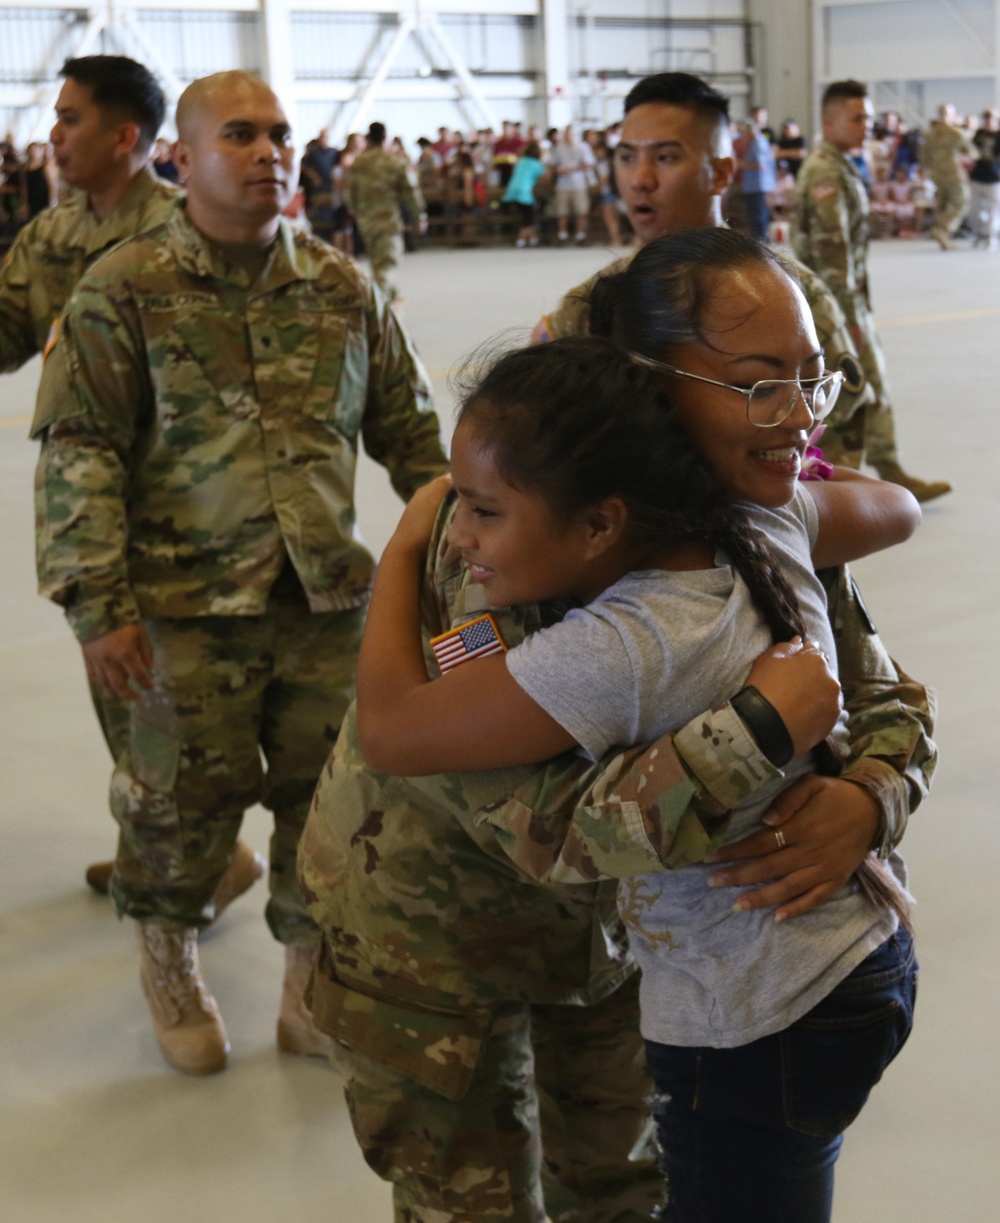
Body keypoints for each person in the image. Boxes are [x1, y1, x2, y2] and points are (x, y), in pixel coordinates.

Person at [298, 263, 936, 1223]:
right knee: (468, 1200)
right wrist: (753, 733)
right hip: (434, 930)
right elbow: (536, 823)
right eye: (759, 382)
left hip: (630, 948)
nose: (799, 416)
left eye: (809, 378)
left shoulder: (754, 511)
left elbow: (876, 686)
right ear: (652, 387)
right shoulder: (503, 526)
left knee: (626, 1191)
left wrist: (869, 796)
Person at [33, 70, 447, 1077]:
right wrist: (97, 606)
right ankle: (168, 955)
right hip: (180, 612)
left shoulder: (344, 288)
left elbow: (417, 443)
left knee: (333, 802)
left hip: (325, 607)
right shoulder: (123, 288)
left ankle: (311, 979)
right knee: (178, 805)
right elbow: (77, 449)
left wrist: (460, 569)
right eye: (239, 135)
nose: (268, 151)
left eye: (280, 133)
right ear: (180, 156)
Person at [0, 56, 265, 906]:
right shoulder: (55, 234)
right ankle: (157, 848)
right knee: (120, 696)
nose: (54, 133)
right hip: (95, 504)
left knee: (185, 719)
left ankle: (202, 862)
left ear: (126, 137)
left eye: (69, 117)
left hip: (192, 512)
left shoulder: (193, 227)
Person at [531, 73, 873, 476]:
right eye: (626, 157)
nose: (641, 180)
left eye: (666, 157)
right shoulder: (590, 307)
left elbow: (835, 442)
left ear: (722, 173)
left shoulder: (793, 299)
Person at [793, 79, 951, 501]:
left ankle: (889, 468)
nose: (868, 125)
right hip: (832, 310)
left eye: (870, 117)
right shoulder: (826, 170)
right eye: (858, 117)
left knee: (873, 386)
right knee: (847, 402)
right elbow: (832, 252)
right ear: (829, 120)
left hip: (849, 303)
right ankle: (836, 494)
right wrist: (845, 321)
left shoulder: (842, 165)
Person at [346, 121, 426, 301]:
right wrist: (419, 217)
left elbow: (350, 192)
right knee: (387, 266)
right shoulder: (394, 162)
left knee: (378, 265)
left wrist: (356, 213)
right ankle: (377, 307)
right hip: (388, 222)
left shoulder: (358, 163)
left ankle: (390, 301)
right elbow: (411, 192)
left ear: (369, 139)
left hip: (366, 223)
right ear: (385, 138)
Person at [919, 102, 975, 249]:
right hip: (953, 173)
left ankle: (944, 239)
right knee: (961, 201)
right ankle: (943, 229)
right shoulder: (956, 133)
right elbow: (971, 153)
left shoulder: (930, 134)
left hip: (937, 174)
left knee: (943, 204)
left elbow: (923, 158)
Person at [550, 124, 596, 243]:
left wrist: (571, 169)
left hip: (578, 183)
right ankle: (562, 235)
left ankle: (581, 235)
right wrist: (559, 171)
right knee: (562, 211)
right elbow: (553, 165)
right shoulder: (559, 147)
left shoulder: (582, 146)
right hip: (563, 184)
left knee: (581, 211)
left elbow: (589, 164)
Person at [500, 140, 546, 246]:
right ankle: (522, 239)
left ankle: (532, 238)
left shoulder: (520, 161)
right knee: (530, 217)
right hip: (523, 193)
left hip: (512, 191)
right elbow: (542, 178)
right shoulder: (536, 164)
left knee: (528, 215)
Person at [968, 108, 1000, 250]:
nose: (988, 121)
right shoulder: (979, 134)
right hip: (978, 176)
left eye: (991, 119)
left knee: (993, 210)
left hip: (994, 177)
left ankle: (991, 237)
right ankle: (981, 234)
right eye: (986, 118)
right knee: (976, 209)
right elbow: (971, 151)